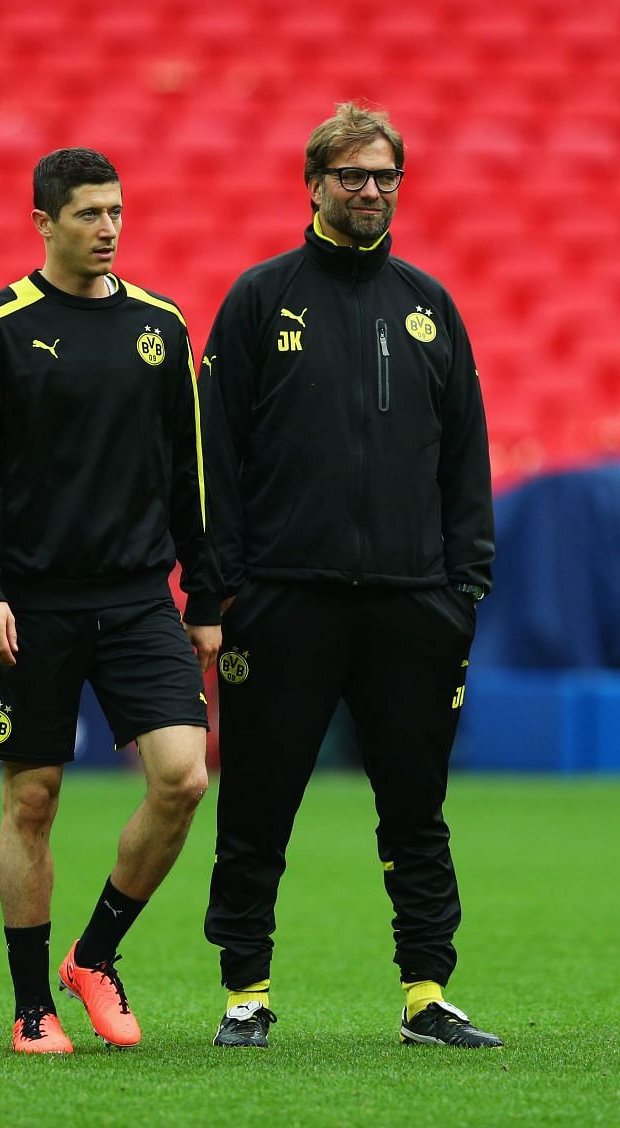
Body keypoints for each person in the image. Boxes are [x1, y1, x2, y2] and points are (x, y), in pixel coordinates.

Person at [200, 103, 503, 1049]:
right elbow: (212, 453)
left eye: (383, 177)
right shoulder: (260, 298)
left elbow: (466, 457)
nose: (369, 191)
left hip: (413, 606)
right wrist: (221, 590)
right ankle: (245, 991)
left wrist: (465, 589)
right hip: (285, 599)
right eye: (350, 176)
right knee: (257, 804)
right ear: (314, 183)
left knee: (417, 811)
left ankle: (426, 993)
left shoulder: (429, 305)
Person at [0, 148, 222, 1055]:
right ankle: (32, 1006)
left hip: (140, 597)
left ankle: (94, 955)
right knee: (33, 800)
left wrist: (206, 593)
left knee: (184, 778)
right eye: (90, 213)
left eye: (117, 212)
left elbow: (192, 474)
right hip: (34, 602)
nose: (108, 228)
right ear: (44, 222)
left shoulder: (163, 326)